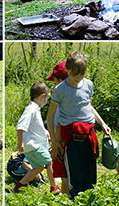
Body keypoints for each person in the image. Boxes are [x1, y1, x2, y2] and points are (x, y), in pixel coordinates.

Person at [47, 51, 111, 200]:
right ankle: (75, 199)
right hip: (71, 136)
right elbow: (50, 115)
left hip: (89, 133)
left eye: (81, 75)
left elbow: (88, 106)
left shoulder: (88, 84)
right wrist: (55, 142)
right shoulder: (60, 90)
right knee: (74, 173)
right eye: (74, 74)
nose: (77, 78)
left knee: (90, 170)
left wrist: (102, 123)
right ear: (67, 70)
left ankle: (89, 199)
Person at [14, 81, 61, 194]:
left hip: (32, 145)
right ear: (42, 96)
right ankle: (54, 187)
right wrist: (20, 143)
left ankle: (20, 184)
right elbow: (21, 126)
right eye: (46, 99)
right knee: (49, 162)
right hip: (32, 144)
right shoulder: (31, 110)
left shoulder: (35, 109)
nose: (46, 102)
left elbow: (35, 125)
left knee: (39, 167)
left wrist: (45, 132)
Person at [46, 61, 70, 195]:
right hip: (62, 137)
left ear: (60, 81)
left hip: (60, 139)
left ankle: (66, 196)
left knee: (63, 170)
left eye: (55, 81)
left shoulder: (60, 96)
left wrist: (55, 142)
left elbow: (59, 123)